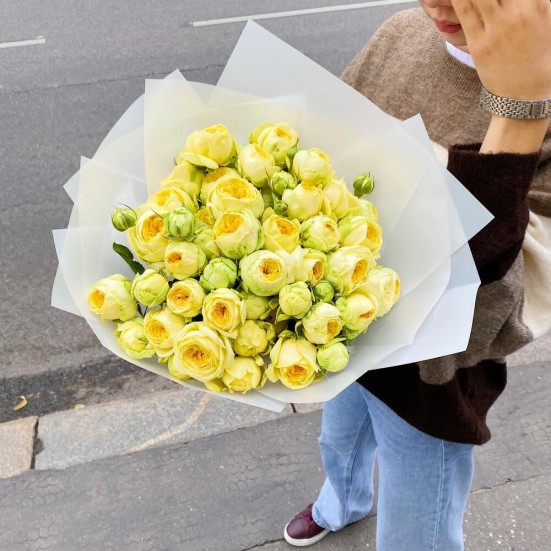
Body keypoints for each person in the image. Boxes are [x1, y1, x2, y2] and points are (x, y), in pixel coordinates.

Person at [283, 0, 551, 549]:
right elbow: (321, 147)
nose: (439, 4)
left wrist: (519, 109)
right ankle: (342, 501)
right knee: (339, 437)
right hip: (348, 327)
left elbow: (496, 295)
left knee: (416, 528)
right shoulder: (403, 32)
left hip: (436, 373)